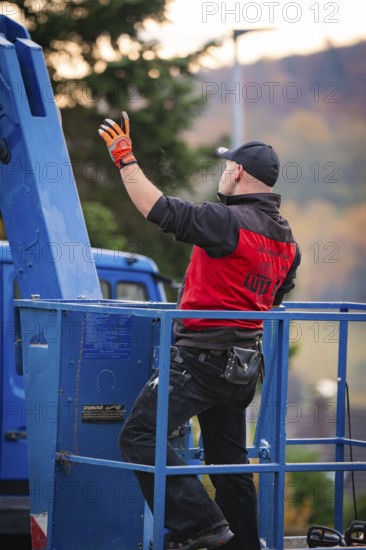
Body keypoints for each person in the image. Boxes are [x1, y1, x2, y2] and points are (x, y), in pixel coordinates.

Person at [98, 112, 301, 550]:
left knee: (138, 436)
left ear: (240, 172)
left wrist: (125, 160)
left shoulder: (226, 221)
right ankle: (244, 543)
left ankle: (203, 529)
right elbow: (275, 298)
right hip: (244, 368)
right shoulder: (288, 241)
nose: (224, 173)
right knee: (230, 465)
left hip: (200, 360)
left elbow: (159, 209)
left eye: (228, 167)